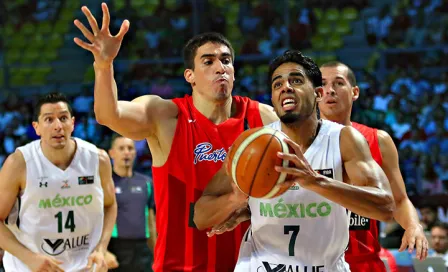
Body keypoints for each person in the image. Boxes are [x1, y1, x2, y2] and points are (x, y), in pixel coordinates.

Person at [73, 3, 278, 271]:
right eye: (208, 61)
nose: (220, 67)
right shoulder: (166, 116)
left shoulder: (262, 118)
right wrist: (103, 65)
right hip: (179, 266)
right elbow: (108, 114)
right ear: (189, 76)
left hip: (249, 265)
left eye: (226, 60)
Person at [194, 50, 395, 271]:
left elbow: (385, 207)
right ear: (272, 98)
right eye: (277, 84)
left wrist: (316, 182)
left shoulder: (343, 139)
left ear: (318, 93)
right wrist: (236, 199)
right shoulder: (252, 144)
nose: (286, 87)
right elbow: (201, 217)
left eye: (296, 80)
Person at [318, 61, 428, 271]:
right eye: (322, 84)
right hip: (314, 262)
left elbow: (400, 199)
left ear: (355, 92)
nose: (330, 90)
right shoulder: (299, 142)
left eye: (338, 83)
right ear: (315, 93)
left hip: (365, 262)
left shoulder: (379, 140)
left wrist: (413, 225)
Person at [0, 92, 117, 272]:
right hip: (29, 267)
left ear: (72, 123)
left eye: (63, 118)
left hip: (84, 266)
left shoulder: (98, 159)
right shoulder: (19, 163)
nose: (58, 126)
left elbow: (110, 205)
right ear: (36, 127)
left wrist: (101, 248)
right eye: (49, 120)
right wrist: (28, 258)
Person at [105, 134, 156, 272]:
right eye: (121, 148)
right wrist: (103, 251)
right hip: (115, 250)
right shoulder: (105, 182)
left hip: (143, 251)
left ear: (135, 153)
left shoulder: (146, 183)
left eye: (130, 148)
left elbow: (151, 221)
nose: (126, 152)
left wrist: (157, 253)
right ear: (112, 153)